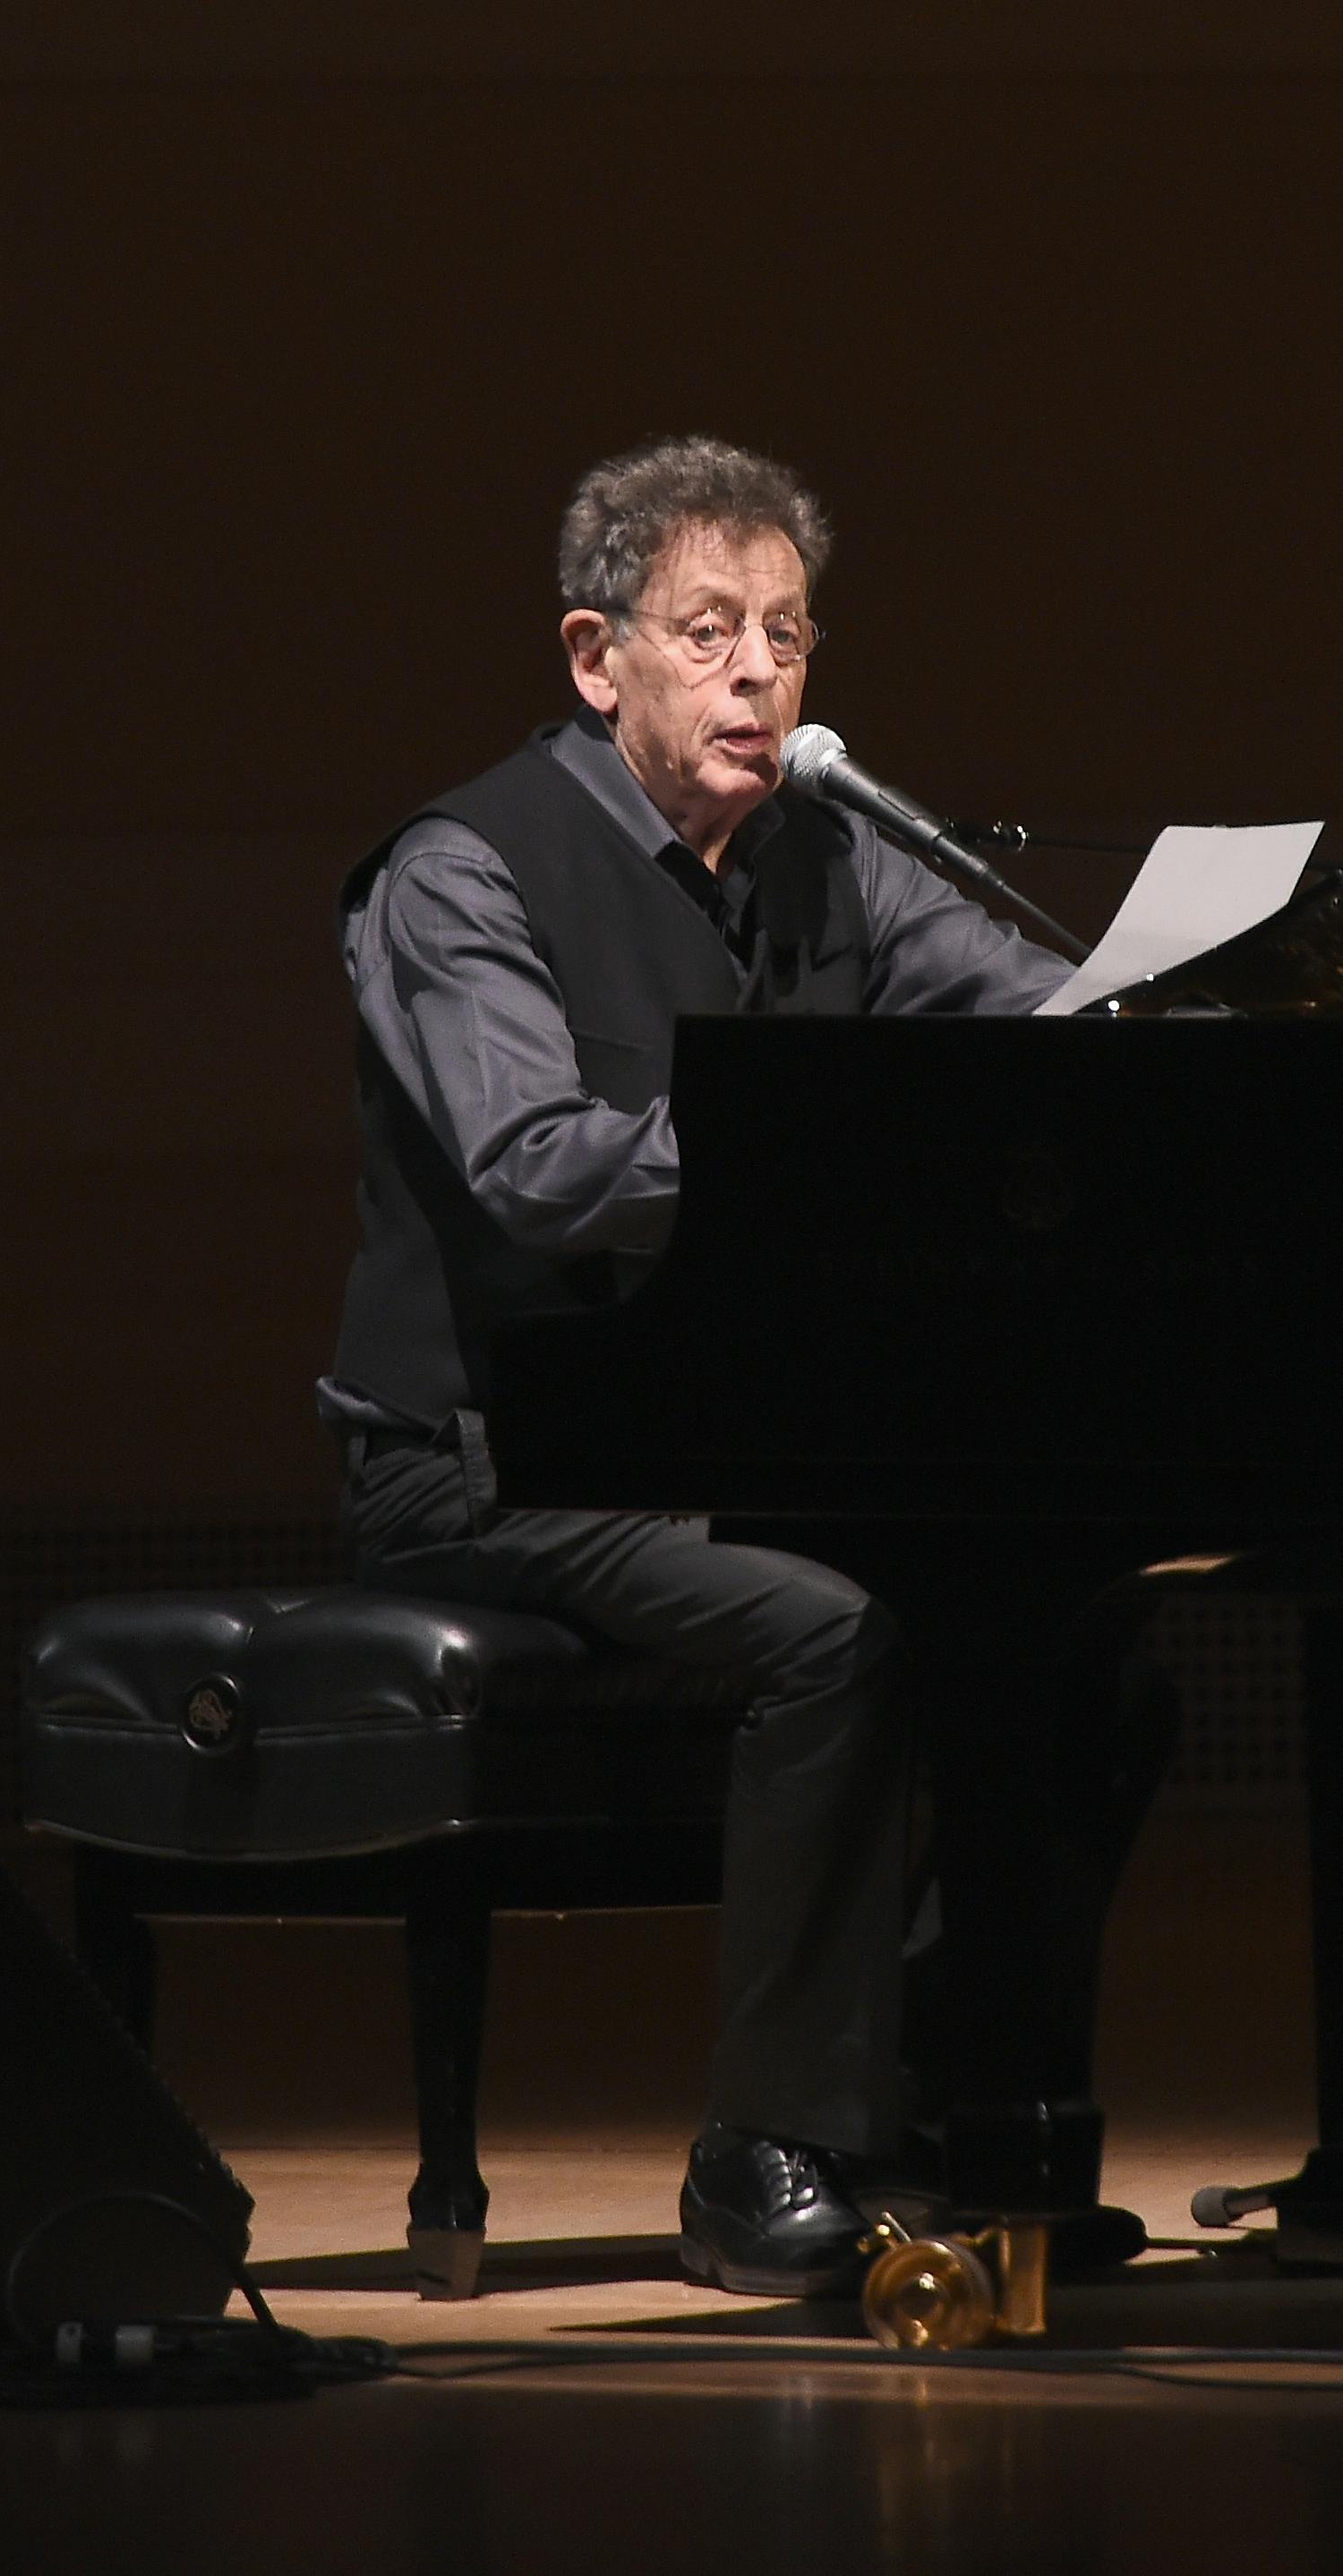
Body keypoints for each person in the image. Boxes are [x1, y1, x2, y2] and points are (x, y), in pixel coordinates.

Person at [317, 436, 1098, 2296]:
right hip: (482, 1455)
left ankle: (965, 2120)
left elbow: (1040, 1019)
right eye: (707, 631)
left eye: (789, 636)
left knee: (1075, 1625)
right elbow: (533, 1169)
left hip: (719, 1439)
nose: (759, 674)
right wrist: (829, 1153)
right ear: (598, 657)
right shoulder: (457, 872)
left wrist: (1176, 1025)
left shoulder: (834, 856)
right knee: (833, 1625)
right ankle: (763, 2156)